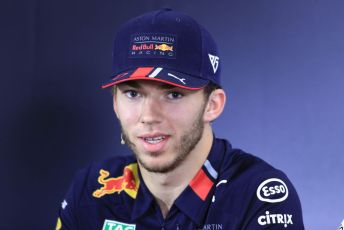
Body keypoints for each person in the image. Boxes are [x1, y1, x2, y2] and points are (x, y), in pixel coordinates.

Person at [56, 8, 304, 229]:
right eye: (132, 94)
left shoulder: (259, 196)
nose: (149, 116)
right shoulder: (92, 191)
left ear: (212, 105)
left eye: (173, 94)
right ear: (115, 104)